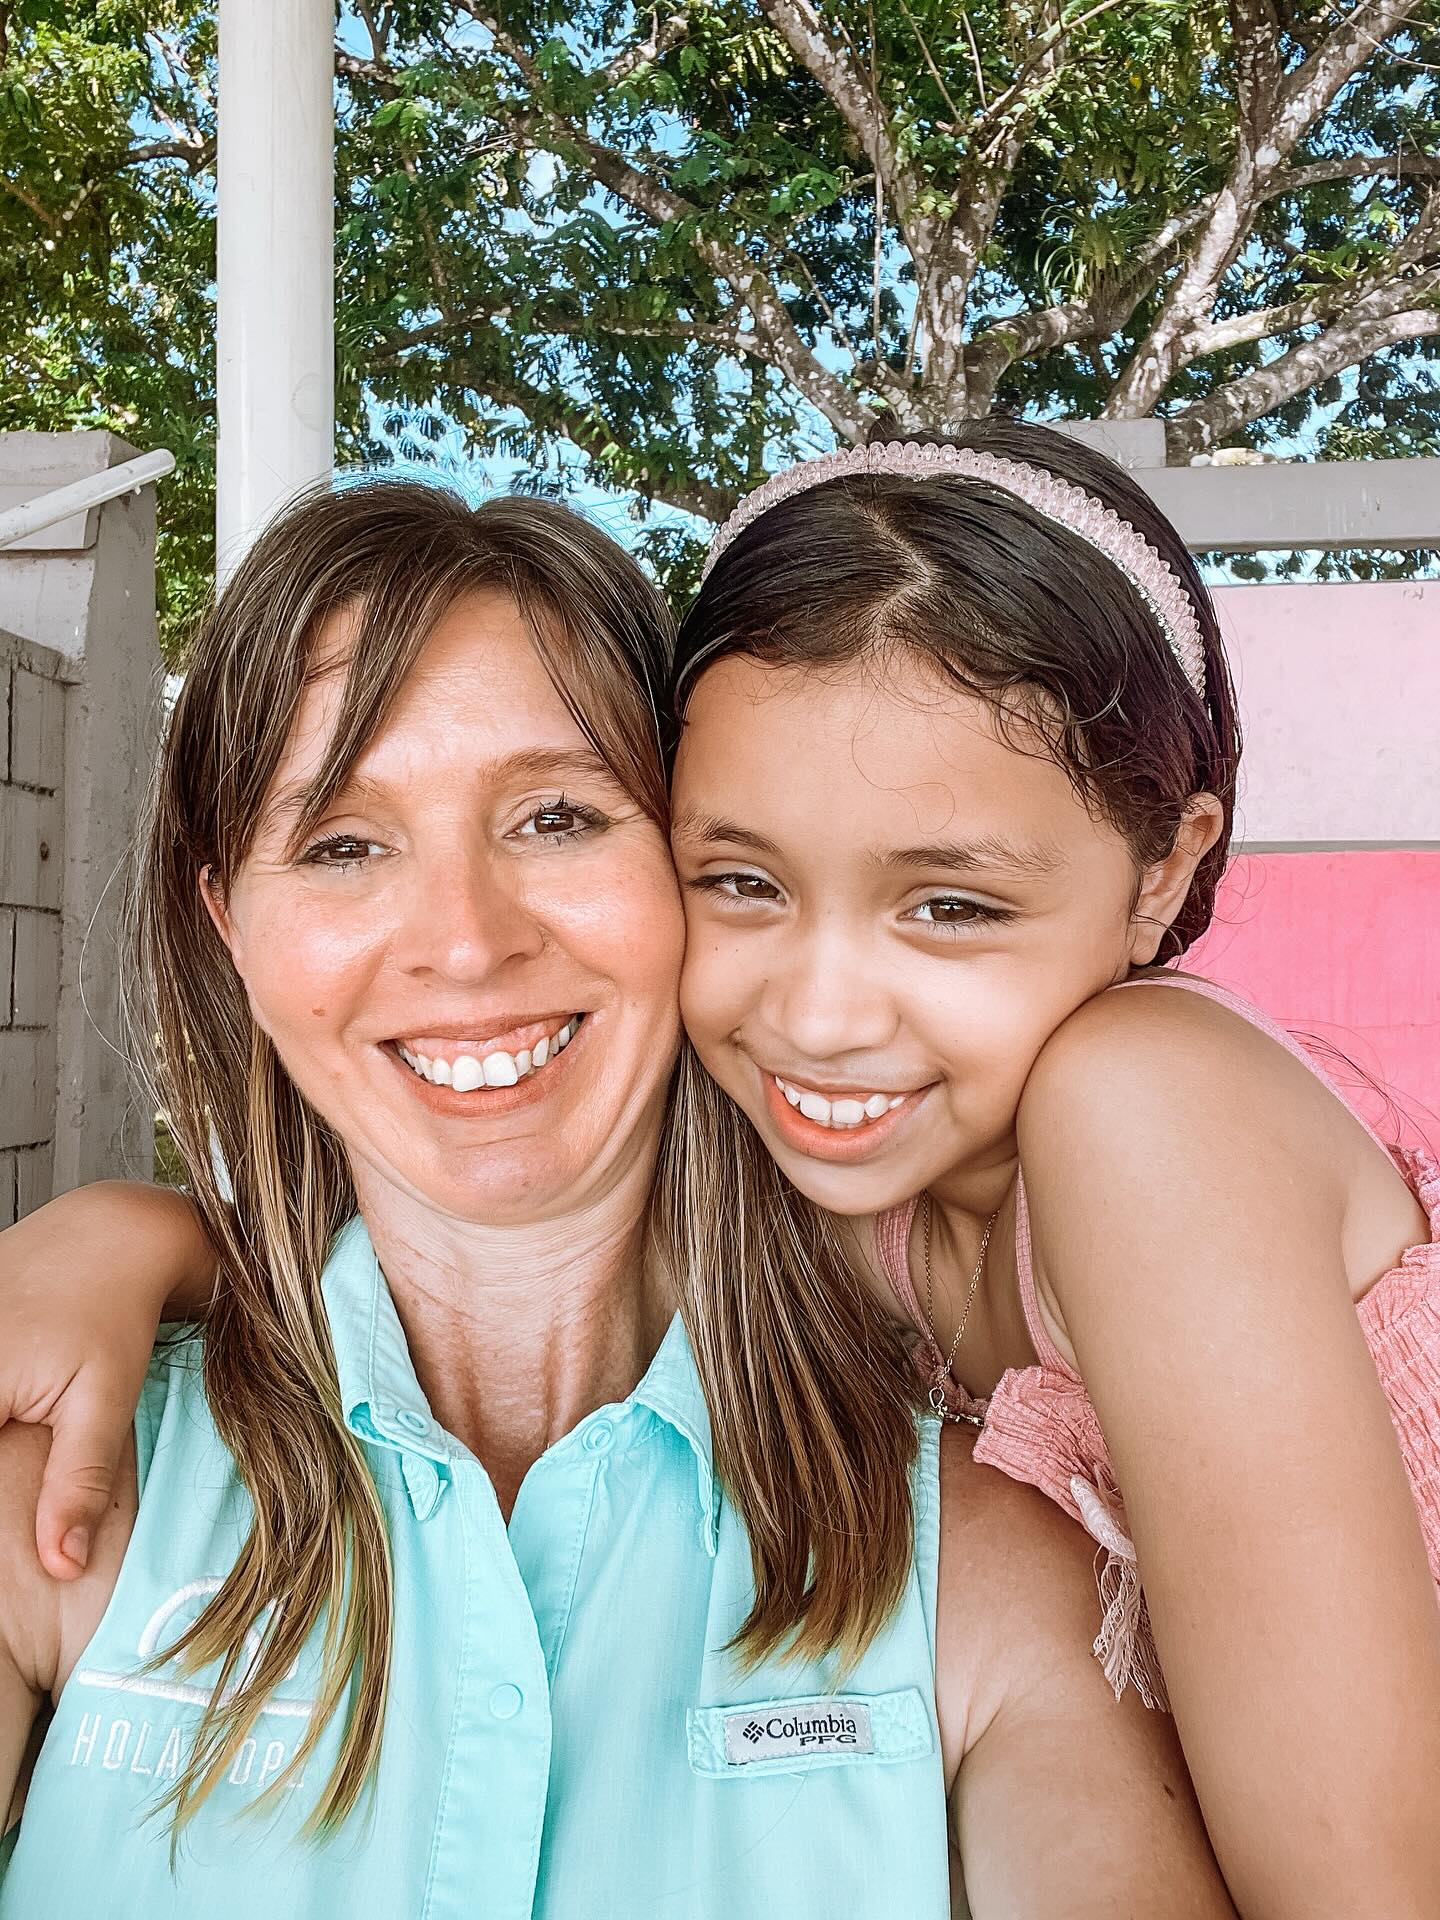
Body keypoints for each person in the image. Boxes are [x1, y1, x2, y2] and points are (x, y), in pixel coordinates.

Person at [0, 476, 1231, 1918]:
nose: (464, 942)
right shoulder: (61, 1505)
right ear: (232, 929)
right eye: (341, 843)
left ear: (694, 868)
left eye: (558, 818)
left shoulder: (989, 1574)